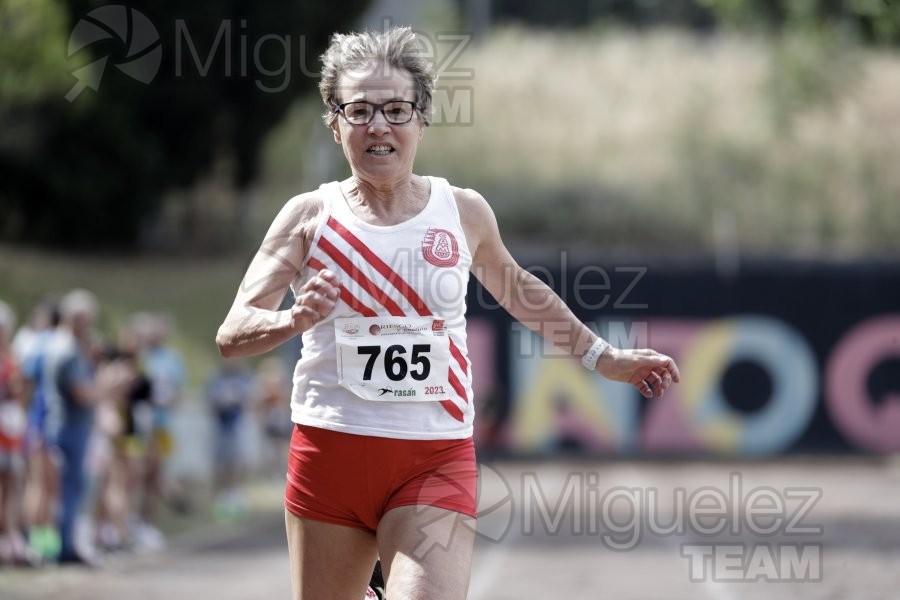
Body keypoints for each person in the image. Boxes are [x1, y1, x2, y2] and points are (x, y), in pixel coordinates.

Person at [216, 26, 680, 600]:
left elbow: (520, 292)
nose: (378, 125)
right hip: (328, 453)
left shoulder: (461, 211)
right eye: (358, 110)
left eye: (395, 109)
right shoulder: (309, 216)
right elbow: (233, 333)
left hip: (431, 459)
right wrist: (292, 321)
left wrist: (603, 357)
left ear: (422, 119)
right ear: (334, 123)